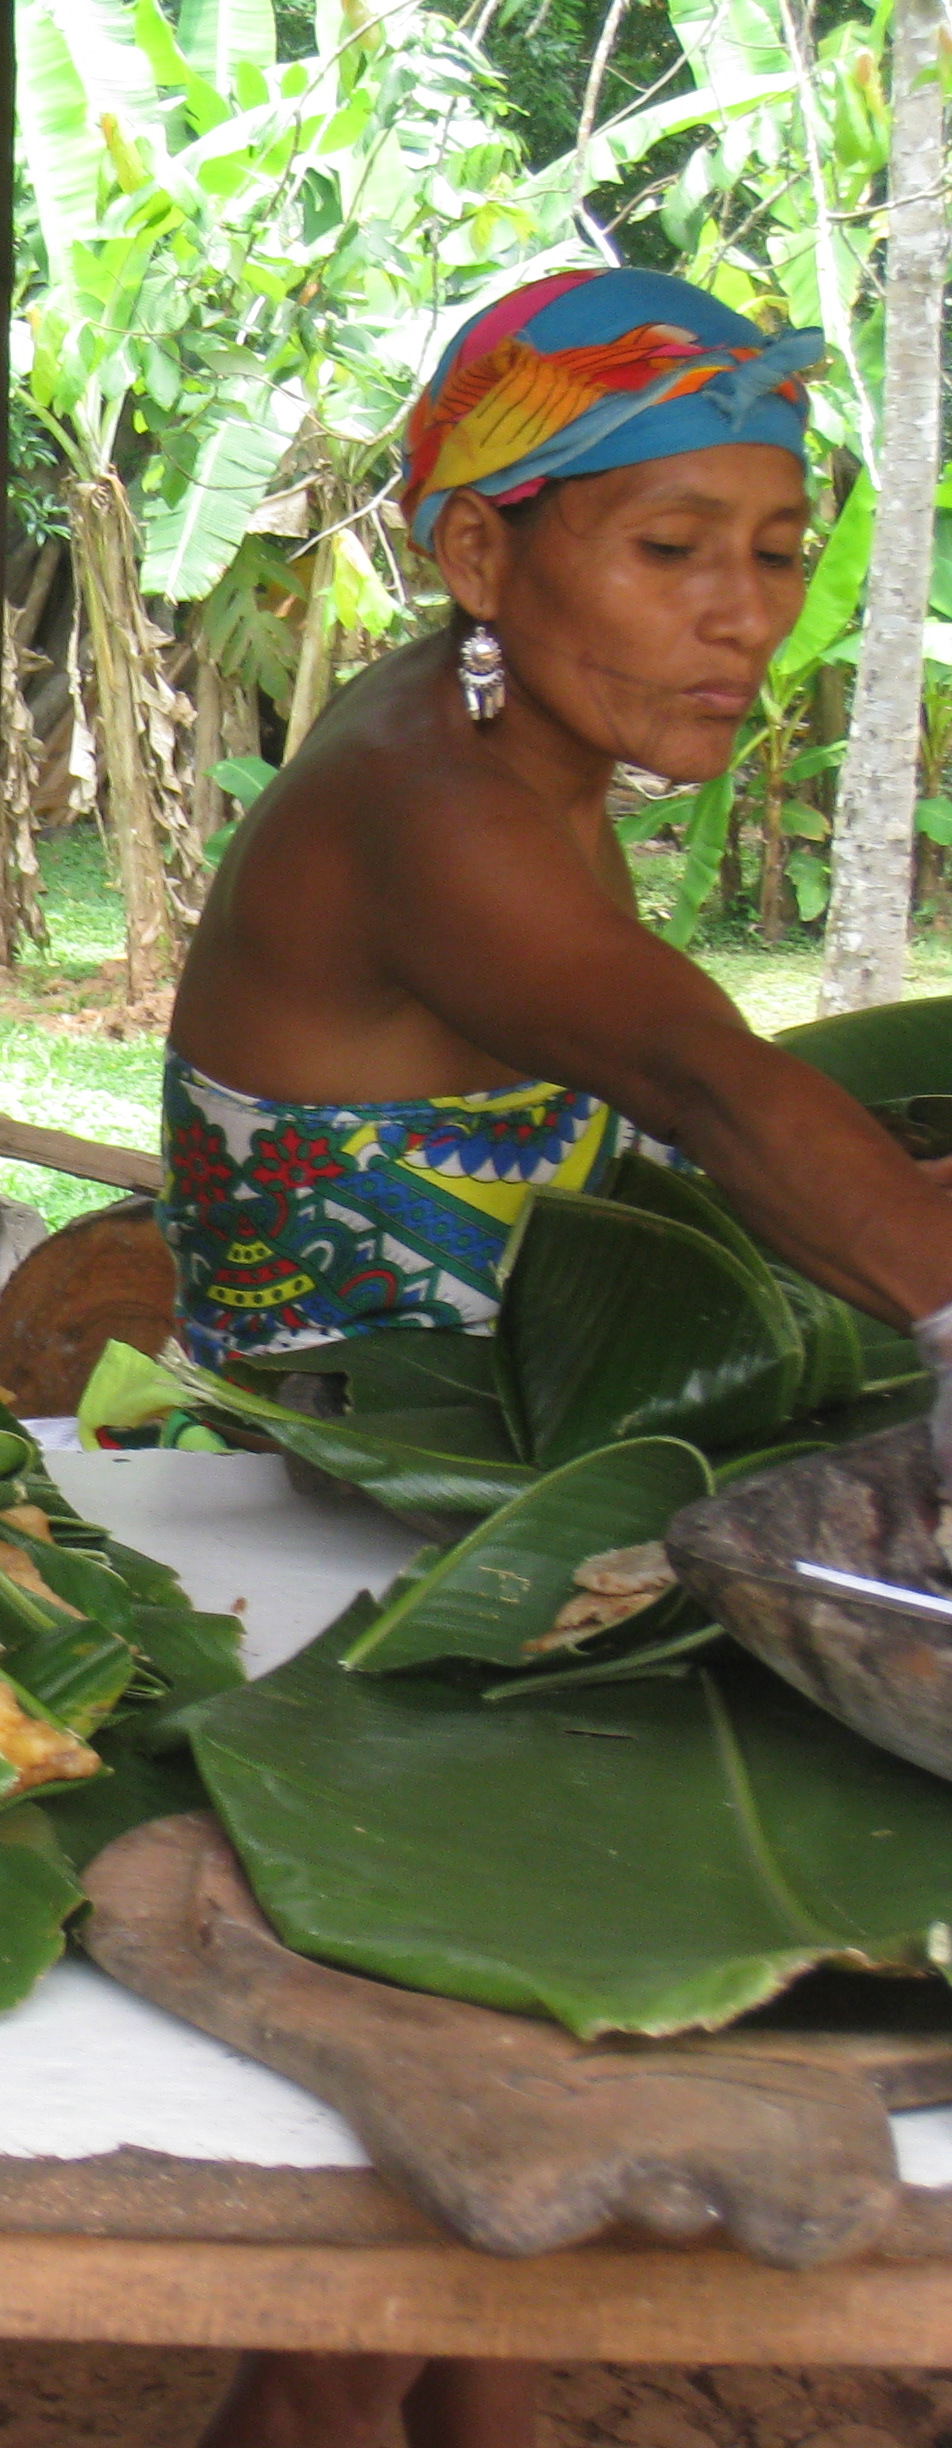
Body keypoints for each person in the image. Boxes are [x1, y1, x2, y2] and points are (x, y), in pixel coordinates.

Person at [158, 266, 950, 2448]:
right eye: (671, 548)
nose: (744, 614)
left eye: (777, 549)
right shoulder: (441, 812)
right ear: (484, 554)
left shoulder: (498, 747)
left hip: (487, 1481)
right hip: (370, 1532)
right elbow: (700, 1082)